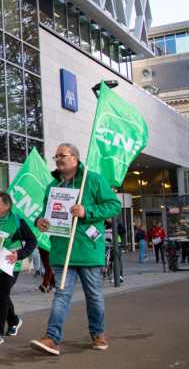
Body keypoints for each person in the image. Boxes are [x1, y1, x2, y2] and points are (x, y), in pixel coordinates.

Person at [29, 143, 121, 355]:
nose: (58, 159)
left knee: (94, 295)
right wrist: (39, 221)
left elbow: (114, 205)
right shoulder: (53, 187)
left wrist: (86, 210)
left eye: (62, 155)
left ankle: (98, 333)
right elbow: (46, 213)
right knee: (61, 295)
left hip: (88, 249)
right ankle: (52, 338)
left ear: (75, 159)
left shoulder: (94, 179)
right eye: (56, 156)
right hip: (61, 250)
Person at [0, 191, 37, 345]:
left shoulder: (17, 221)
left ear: (7, 206)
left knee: (2, 294)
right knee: (0, 295)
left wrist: (20, 254)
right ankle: (14, 320)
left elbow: (32, 241)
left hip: (10, 264)